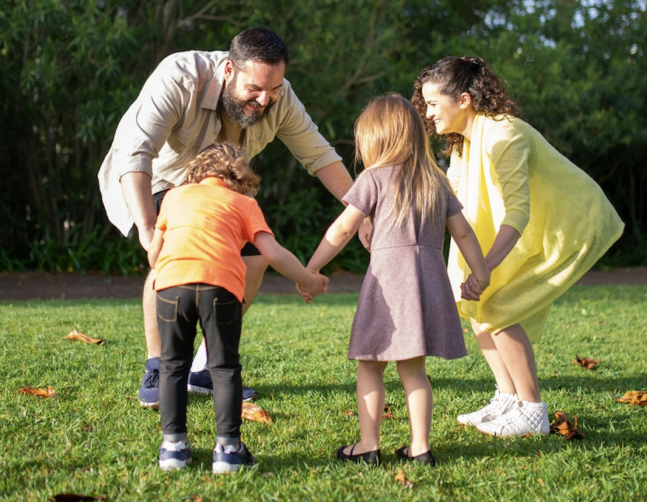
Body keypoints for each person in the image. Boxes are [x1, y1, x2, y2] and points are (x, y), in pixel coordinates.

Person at [98, 27, 363, 408]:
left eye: (273, 89)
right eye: (255, 89)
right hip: (160, 181)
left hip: (223, 193)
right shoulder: (181, 76)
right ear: (228, 70)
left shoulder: (278, 97)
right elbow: (135, 154)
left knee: (252, 260)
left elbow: (320, 156)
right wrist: (147, 227)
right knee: (175, 250)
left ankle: (204, 368)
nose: (264, 99)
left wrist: (361, 211)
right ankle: (158, 366)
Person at [412, 57, 624, 437]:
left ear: (463, 100)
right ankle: (507, 397)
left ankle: (531, 411)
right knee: (475, 304)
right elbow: (452, 200)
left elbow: (518, 211)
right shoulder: (462, 144)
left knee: (497, 303)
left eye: (432, 104)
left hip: (568, 228)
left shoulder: (503, 134)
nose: (427, 114)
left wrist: (485, 268)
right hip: (526, 232)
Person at [300, 94, 490, 466]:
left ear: (375, 139)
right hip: (428, 283)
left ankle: (368, 445)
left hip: (389, 285)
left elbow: (341, 230)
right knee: (415, 370)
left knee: (370, 364)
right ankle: (420, 447)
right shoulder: (435, 180)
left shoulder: (373, 178)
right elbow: (464, 234)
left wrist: (311, 269)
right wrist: (480, 274)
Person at [148, 143, 327, 473]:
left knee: (173, 364)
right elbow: (271, 254)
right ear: (242, 179)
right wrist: (308, 279)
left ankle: (173, 448)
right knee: (224, 367)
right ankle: (228, 451)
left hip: (173, 286)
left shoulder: (174, 197)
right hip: (221, 287)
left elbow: (153, 254)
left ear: (197, 173)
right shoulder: (245, 203)